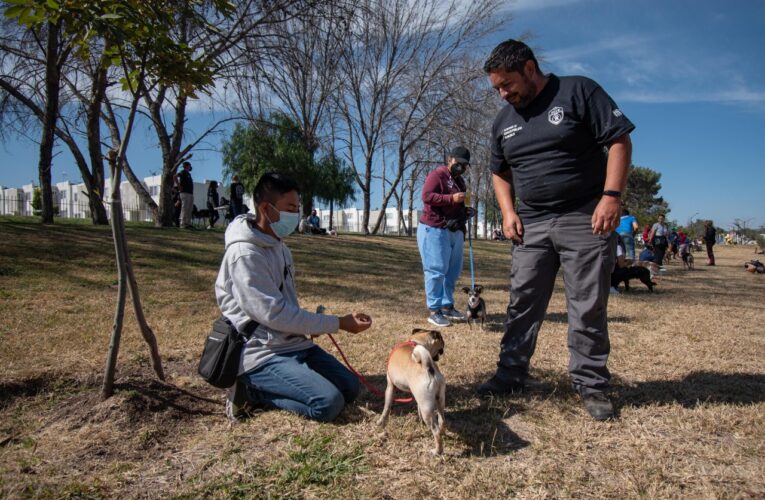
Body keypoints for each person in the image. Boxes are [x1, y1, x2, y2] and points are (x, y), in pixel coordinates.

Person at [479, 39, 635, 421]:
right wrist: (507, 211)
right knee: (522, 302)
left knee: (586, 305)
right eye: (496, 88)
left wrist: (611, 196)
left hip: (584, 217)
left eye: (507, 85)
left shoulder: (578, 91)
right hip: (531, 224)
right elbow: (499, 172)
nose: (502, 94)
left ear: (530, 69)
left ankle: (591, 384)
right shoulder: (504, 121)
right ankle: (510, 374)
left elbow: (618, 140)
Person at [215, 172, 372, 423]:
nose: (296, 214)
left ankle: (289, 377)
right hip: (262, 351)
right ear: (266, 208)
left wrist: (313, 323)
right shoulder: (244, 255)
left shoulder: (280, 246)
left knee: (351, 388)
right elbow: (273, 314)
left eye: (297, 208)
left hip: (292, 343)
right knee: (328, 403)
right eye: (290, 208)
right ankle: (251, 390)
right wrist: (338, 323)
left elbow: (286, 306)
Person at [417, 145, 472, 327]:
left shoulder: (461, 182)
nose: (461, 167)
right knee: (436, 270)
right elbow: (427, 196)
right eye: (459, 163)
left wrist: (466, 210)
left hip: (454, 231)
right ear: (450, 159)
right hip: (434, 229)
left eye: (465, 165)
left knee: (452, 272)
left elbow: (458, 204)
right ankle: (434, 310)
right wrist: (451, 199)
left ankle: (447, 306)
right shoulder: (438, 175)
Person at [176, 161, 194, 229]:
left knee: (189, 208)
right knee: (184, 208)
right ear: (186, 166)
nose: (190, 167)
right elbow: (175, 176)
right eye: (189, 165)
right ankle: (182, 223)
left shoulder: (189, 174)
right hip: (184, 192)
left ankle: (188, 223)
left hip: (190, 193)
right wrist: (179, 186)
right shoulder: (182, 172)